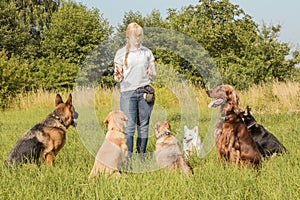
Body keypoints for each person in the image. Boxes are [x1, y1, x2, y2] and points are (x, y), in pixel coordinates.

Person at [113, 22, 156, 158]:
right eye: (135, 36)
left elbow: (153, 75)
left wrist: (152, 72)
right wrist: (118, 75)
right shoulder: (120, 53)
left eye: (139, 36)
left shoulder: (147, 52)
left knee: (143, 126)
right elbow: (117, 78)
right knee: (130, 126)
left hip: (145, 92)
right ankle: (128, 158)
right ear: (129, 36)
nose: (137, 39)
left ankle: (141, 157)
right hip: (128, 93)